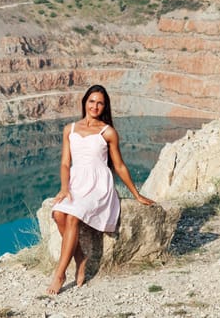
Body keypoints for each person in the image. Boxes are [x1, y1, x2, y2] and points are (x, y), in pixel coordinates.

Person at [47, 84, 155, 295]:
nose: (95, 106)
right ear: (84, 102)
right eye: (91, 101)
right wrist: (63, 188)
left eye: (100, 103)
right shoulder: (70, 129)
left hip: (99, 185)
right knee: (58, 213)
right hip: (76, 183)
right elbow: (64, 163)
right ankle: (80, 258)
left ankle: (60, 274)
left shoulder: (108, 132)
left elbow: (120, 166)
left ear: (104, 107)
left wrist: (136, 194)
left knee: (73, 216)